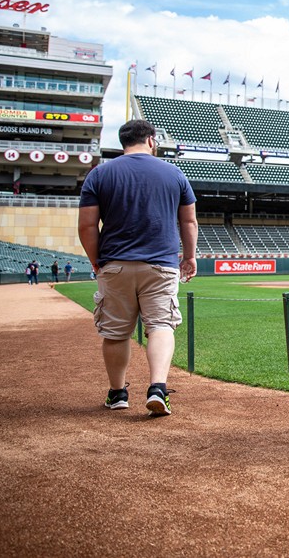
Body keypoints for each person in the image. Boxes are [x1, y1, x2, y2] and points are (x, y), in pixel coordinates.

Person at [78, 118, 198, 416]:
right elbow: (189, 221)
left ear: (123, 142)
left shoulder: (99, 173)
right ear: (151, 141)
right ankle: (157, 388)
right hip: (161, 264)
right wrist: (189, 257)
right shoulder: (174, 173)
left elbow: (87, 226)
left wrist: (96, 261)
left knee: (116, 333)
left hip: (115, 263)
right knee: (160, 326)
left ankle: (118, 393)